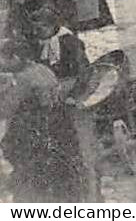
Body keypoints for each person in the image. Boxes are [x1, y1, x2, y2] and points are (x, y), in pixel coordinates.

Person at [0, 43, 95, 201]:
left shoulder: (23, 79)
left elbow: (5, 109)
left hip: (36, 133)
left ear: (15, 58)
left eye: (2, 60)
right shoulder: (42, 69)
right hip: (59, 126)